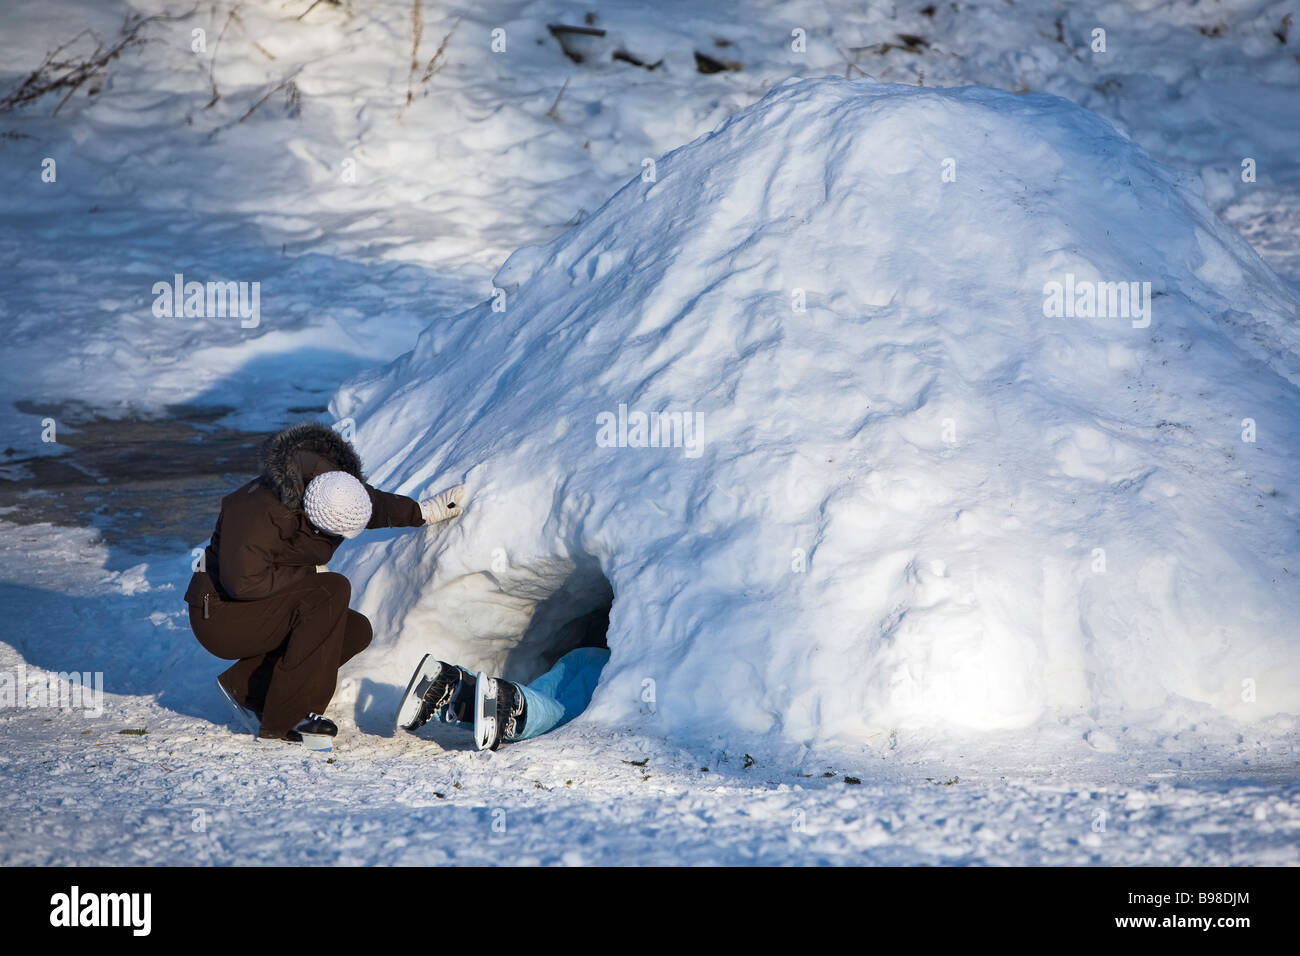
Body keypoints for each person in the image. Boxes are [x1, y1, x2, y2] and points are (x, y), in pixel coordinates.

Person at [184, 421, 464, 748]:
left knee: (353, 630)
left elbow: (366, 506)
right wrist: (307, 574)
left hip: (257, 601)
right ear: (313, 515)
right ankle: (287, 718)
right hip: (222, 615)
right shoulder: (257, 512)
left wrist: (423, 512)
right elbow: (242, 583)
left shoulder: (331, 486)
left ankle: (248, 688)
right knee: (330, 590)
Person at [396, 606, 610, 750]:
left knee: (542, 697)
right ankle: (512, 703)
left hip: (583, 656)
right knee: (562, 717)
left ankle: (453, 685)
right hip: (606, 665)